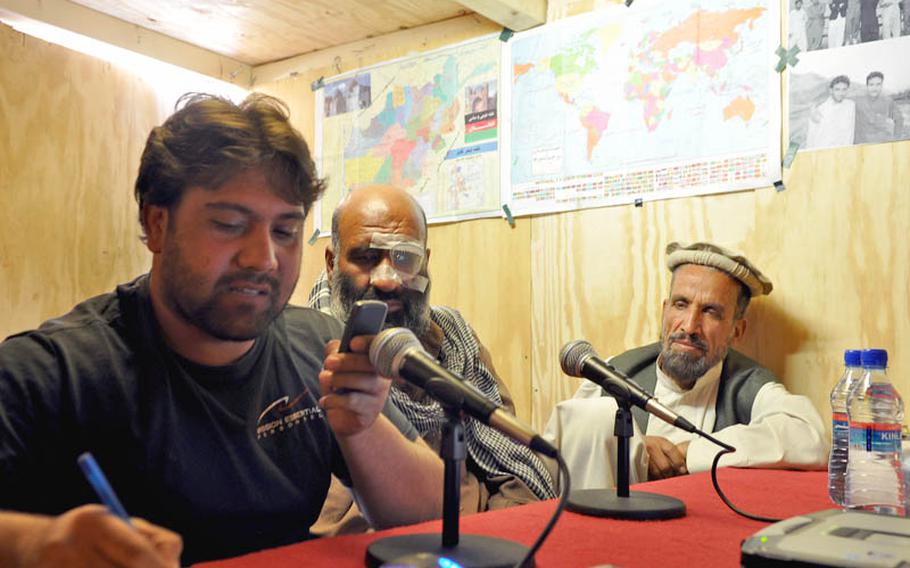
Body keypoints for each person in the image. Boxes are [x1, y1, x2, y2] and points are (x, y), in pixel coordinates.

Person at [0, 94, 444, 567]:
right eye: (230, 224)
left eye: (284, 231)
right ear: (156, 224)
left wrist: (362, 429)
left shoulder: (319, 347)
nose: (264, 259)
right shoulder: (48, 372)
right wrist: (34, 542)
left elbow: (432, 519)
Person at [307, 184, 556, 534]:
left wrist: (495, 537)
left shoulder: (454, 340)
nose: (387, 279)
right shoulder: (305, 350)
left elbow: (516, 471)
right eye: (366, 257)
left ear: (425, 262)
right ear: (333, 263)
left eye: (404, 259)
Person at [544, 242, 827, 490]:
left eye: (710, 312)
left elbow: (810, 438)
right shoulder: (615, 372)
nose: (690, 326)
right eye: (681, 305)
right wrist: (636, 446)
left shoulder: (749, 385)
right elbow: (561, 453)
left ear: (736, 331)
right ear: (665, 310)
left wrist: (690, 453)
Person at [805, 75, 856, 149]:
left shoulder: (850, 105)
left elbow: (849, 133)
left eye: (844, 89)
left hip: (842, 152)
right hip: (822, 151)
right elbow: (811, 135)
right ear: (831, 90)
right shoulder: (820, 108)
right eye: (837, 89)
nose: (841, 93)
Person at [855, 71, 905, 143]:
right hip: (862, 143)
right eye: (871, 85)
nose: (874, 88)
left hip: (881, 141)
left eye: (878, 84)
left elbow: (899, 119)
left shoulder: (888, 101)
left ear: (882, 86)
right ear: (867, 86)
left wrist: (896, 139)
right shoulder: (858, 101)